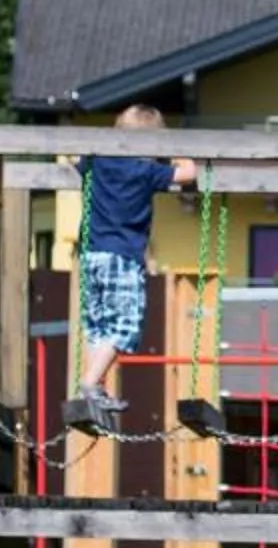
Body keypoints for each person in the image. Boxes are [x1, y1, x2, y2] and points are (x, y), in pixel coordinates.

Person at [69, 104, 199, 436]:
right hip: (122, 257)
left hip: (91, 256)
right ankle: (88, 382)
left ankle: (91, 388)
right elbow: (189, 172)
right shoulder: (144, 170)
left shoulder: (98, 162)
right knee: (125, 326)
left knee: (97, 325)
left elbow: (75, 164)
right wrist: (174, 151)